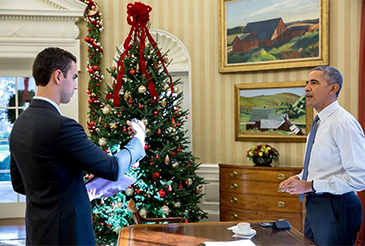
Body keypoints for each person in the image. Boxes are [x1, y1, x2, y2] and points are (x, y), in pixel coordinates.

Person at [9, 47, 146, 245]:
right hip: (67, 234)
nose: (75, 86)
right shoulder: (62, 126)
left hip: (38, 232)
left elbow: (19, 184)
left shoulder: (19, 124)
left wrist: (75, 192)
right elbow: (113, 168)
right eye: (73, 77)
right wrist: (139, 140)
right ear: (58, 76)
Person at [279, 66, 365, 245]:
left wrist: (309, 185)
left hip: (337, 206)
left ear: (333, 89)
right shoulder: (319, 123)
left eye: (314, 83)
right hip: (316, 204)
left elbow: (359, 178)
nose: (306, 88)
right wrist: (299, 178)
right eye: (307, 83)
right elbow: (323, 165)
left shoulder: (343, 123)